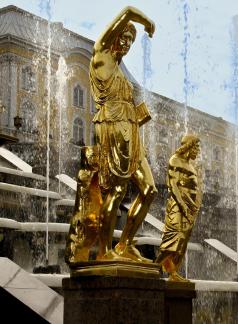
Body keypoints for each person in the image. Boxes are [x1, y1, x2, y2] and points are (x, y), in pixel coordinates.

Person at [90, 6, 157, 262]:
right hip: (113, 127)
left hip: (131, 130)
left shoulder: (121, 70)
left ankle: (125, 245)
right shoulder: (101, 54)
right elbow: (127, 11)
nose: (128, 44)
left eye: (131, 40)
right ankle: (105, 252)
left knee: (149, 189)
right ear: (114, 37)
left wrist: (139, 114)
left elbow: (127, 103)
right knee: (116, 192)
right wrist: (147, 21)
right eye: (125, 38)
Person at [157, 135, 202, 282]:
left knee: (183, 241)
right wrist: (182, 204)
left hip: (190, 207)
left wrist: (194, 206)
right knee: (173, 239)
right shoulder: (175, 160)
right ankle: (155, 268)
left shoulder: (192, 167)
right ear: (188, 146)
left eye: (198, 148)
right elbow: (173, 185)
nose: (198, 151)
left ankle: (173, 272)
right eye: (195, 147)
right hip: (177, 205)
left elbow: (196, 188)